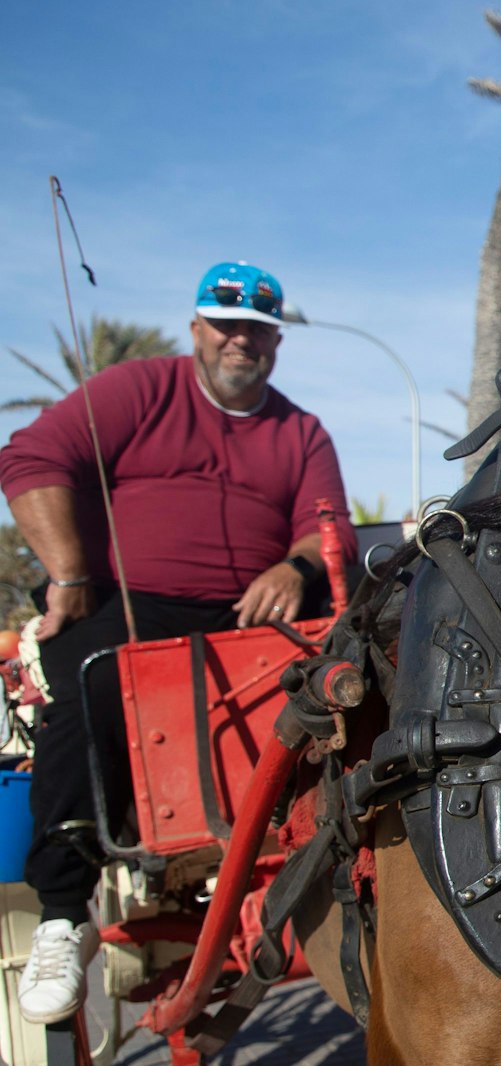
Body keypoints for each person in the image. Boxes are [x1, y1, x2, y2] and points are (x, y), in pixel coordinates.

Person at [0, 262, 357, 1024]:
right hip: (130, 604)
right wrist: (67, 575)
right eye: (225, 325)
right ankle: (65, 913)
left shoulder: (300, 430)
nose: (241, 340)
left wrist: (295, 566)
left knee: (353, 670)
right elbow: (30, 458)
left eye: (257, 329)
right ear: (196, 330)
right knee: (90, 679)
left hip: (251, 616)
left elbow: (330, 529)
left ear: (275, 342)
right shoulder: (137, 390)